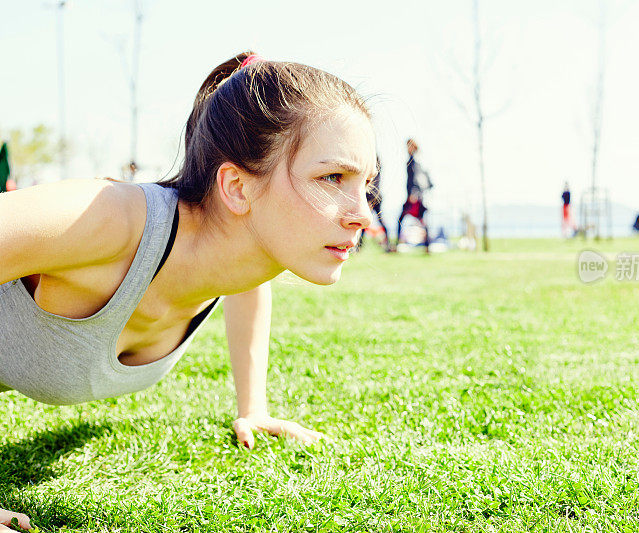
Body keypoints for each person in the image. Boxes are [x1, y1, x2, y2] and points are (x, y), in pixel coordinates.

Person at [0, 52, 376, 530]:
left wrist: (253, 409)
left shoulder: (241, 265)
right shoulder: (109, 219)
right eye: (332, 178)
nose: (363, 213)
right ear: (237, 187)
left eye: (366, 183)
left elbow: (250, 291)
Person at [395, 138, 432, 252]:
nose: (407, 148)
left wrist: (413, 194)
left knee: (402, 220)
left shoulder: (413, 161)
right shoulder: (416, 161)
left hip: (413, 197)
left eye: (409, 145)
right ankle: (427, 246)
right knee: (421, 221)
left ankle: (397, 246)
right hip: (416, 196)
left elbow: (414, 179)